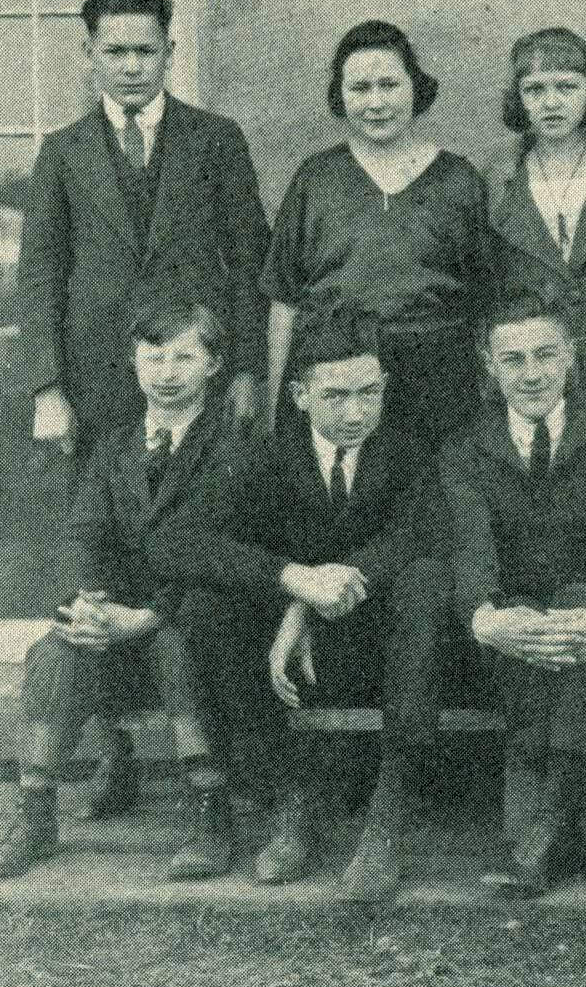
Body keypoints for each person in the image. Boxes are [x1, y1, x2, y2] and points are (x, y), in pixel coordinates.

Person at [14, 0, 273, 814]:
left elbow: (250, 260)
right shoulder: (64, 152)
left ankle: (220, 753)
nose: (131, 65)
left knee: (200, 546)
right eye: (114, 51)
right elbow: (40, 273)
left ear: (170, 52)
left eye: (145, 50)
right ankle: (113, 749)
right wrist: (49, 387)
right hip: (97, 388)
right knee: (100, 556)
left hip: (194, 374)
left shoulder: (215, 140)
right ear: (89, 55)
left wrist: (245, 372)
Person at [161, 314, 456, 902]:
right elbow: (183, 541)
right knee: (203, 608)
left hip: (386, 640)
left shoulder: (411, 450)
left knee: (426, 585)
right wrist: (293, 581)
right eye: (335, 396)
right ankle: (291, 798)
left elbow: (425, 534)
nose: (355, 412)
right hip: (297, 660)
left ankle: (388, 815)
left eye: (368, 392)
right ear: (298, 395)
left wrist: (327, 591)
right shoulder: (266, 456)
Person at [0, 296, 254, 882]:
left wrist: (149, 616)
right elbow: (88, 536)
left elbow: (216, 556)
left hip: (201, 624)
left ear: (214, 365)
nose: (167, 373)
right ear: (132, 360)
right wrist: (90, 605)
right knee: (56, 650)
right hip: (120, 625)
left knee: (178, 643)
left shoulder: (236, 449)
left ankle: (211, 812)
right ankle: (35, 816)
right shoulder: (113, 447)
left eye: (184, 358)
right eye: (154, 357)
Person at [439, 292, 586, 894]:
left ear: (570, 358)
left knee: (581, 604)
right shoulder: (464, 449)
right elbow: (469, 544)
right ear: (489, 366)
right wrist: (484, 615)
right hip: (509, 630)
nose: (532, 373)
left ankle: (535, 839)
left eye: (545, 355)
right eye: (513, 359)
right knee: (519, 624)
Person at [261, 21, 494, 457]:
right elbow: (283, 302)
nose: (375, 103)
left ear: (415, 87)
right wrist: (275, 409)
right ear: (340, 96)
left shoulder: (458, 179)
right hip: (336, 375)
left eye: (389, 85)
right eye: (360, 88)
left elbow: (485, 300)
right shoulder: (316, 179)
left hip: (437, 381)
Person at [488, 26, 586, 422]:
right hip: (532, 375)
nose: (551, 102)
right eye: (534, 90)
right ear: (518, 97)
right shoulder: (497, 179)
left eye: (567, 87)